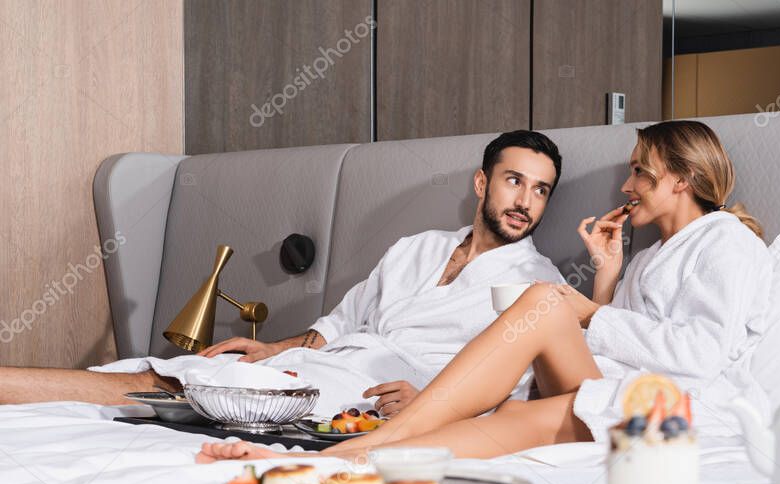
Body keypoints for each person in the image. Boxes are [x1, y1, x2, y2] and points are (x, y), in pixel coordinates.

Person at [198, 119, 776, 463]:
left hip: (676, 411)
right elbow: (610, 350)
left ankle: (352, 454)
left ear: (683, 180)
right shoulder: (651, 255)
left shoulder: (725, 243)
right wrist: (606, 276)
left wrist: (581, 311)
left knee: (475, 419)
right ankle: (319, 462)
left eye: (640, 173)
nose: (625, 186)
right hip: (611, 398)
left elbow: (700, 355)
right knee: (439, 446)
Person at [0, 130, 566, 415]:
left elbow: (518, 389)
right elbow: (342, 322)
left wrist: (426, 403)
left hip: (387, 389)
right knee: (184, 369)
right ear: (481, 182)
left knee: (177, 388)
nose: (526, 201)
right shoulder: (416, 248)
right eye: (514, 180)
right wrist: (272, 348)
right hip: (336, 360)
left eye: (541, 190)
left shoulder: (538, 285)